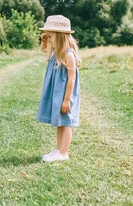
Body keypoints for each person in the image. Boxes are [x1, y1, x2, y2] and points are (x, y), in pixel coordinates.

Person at [36, 15, 81, 162]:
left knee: (66, 122)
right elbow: (44, 50)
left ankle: (64, 153)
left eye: (49, 36)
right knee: (59, 121)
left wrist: (67, 100)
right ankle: (59, 150)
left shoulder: (68, 55)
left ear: (60, 36)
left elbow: (72, 78)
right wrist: (44, 40)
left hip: (64, 93)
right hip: (57, 92)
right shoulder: (56, 51)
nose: (47, 38)